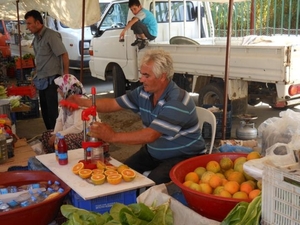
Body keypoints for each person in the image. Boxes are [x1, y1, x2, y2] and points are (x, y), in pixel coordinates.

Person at [67, 49, 206, 184]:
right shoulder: (144, 93)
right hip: (154, 152)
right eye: (141, 74)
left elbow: (150, 135)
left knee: (152, 182)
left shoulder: (177, 101)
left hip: (185, 156)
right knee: (120, 172)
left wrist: (112, 136)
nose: (141, 79)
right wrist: (83, 102)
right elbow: (114, 103)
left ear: (162, 77)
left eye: (146, 76)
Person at [26, 74, 100, 171]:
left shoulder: (81, 102)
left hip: (86, 135)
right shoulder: (66, 101)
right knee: (46, 135)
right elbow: (59, 120)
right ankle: (56, 159)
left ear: (67, 88)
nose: (57, 90)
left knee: (64, 140)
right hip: (70, 132)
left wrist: (59, 135)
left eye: (60, 88)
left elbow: (78, 127)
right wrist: (55, 134)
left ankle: (71, 162)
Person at [25, 10, 69, 130]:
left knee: (52, 111)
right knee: (44, 110)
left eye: (29, 23)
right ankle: (49, 133)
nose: (27, 27)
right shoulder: (36, 38)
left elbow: (64, 54)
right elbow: (39, 59)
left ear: (38, 22)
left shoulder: (51, 35)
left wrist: (66, 76)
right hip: (41, 79)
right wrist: (34, 76)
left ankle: (56, 136)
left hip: (52, 79)